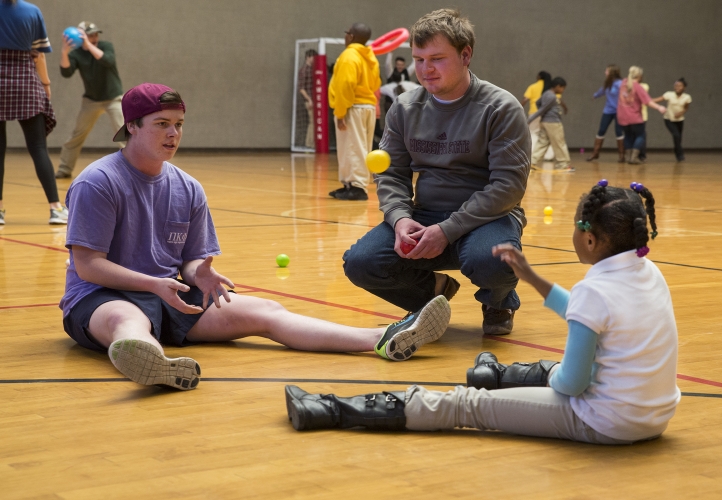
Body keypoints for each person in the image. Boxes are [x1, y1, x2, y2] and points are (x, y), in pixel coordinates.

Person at [60, 83, 452, 391]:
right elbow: (89, 266)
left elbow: (191, 261)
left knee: (268, 312)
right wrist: (154, 285)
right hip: (101, 296)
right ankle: (151, 361)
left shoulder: (189, 188)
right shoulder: (99, 182)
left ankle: (383, 337)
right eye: (161, 124)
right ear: (131, 125)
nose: (173, 133)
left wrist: (200, 275)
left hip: (170, 295)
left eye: (178, 124)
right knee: (126, 318)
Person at [285, 180, 681, 447]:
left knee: (467, 404)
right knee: (567, 365)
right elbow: (592, 313)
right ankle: (496, 375)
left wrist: (543, 386)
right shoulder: (647, 271)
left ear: (590, 238)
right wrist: (529, 276)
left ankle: (331, 409)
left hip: (605, 422)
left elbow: (572, 384)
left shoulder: (595, 291)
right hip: (654, 416)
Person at [342, 9, 530, 336]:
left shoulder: (500, 107)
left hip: (490, 218)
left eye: (437, 59)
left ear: (466, 54)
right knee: (361, 262)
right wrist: (400, 218)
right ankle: (433, 291)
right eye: (418, 59)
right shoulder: (404, 108)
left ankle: (499, 299)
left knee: (492, 260)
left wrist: (447, 230)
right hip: (425, 214)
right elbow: (391, 174)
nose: (425, 70)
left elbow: (508, 186)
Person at [0, 0, 67, 225]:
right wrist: (46, 85)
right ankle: (55, 209)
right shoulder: (33, 11)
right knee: (38, 147)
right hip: (25, 82)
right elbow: (38, 54)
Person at [55, 22, 124, 179]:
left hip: (113, 97)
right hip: (91, 100)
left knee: (124, 132)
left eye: (95, 34)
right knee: (77, 134)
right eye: (90, 35)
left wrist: (88, 44)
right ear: (81, 36)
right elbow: (66, 72)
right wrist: (65, 51)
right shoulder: (76, 54)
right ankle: (65, 169)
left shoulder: (106, 46)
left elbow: (108, 60)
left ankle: (136, 167)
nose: (94, 37)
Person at [327, 23, 381, 201]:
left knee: (352, 147)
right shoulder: (369, 56)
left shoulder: (349, 55)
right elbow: (375, 84)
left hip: (353, 107)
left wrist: (341, 113)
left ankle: (357, 187)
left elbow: (345, 86)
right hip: (368, 106)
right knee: (360, 147)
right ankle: (349, 184)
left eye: (346, 33)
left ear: (350, 36)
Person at [616, 66, 665, 164]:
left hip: (622, 116)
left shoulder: (622, 83)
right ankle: (633, 158)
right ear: (639, 76)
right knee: (640, 135)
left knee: (628, 136)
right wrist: (659, 107)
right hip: (634, 116)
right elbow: (647, 101)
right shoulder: (637, 86)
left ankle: (628, 156)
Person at [528, 77, 572, 171]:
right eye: (562, 88)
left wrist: (545, 113)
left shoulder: (546, 93)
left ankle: (531, 162)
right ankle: (563, 164)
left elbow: (538, 102)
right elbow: (542, 109)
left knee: (542, 143)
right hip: (553, 122)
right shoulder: (551, 96)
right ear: (557, 86)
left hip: (544, 122)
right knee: (559, 142)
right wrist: (530, 119)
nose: (563, 90)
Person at [586, 65, 624, 162]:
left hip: (618, 111)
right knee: (601, 130)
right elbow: (602, 91)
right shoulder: (608, 83)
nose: (605, 72)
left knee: (619, 132)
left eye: (606, 71)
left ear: (612, 72)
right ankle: (595, 153)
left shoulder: (620, 84)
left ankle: (621, 155)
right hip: (608, 110)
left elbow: (626, 94)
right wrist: (595, 95)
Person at [652, 78, 691, 162]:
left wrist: (681, 113)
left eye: (680, 86)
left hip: (680, 120)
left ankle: (677, 151)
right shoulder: (669, 94)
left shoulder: (687, 97)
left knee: (679, 138)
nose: (677, 87)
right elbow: (658, 99)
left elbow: (686, 108)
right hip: (669, 119)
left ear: (684, 88)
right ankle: (680, 155)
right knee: (676, 135)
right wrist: (648, 100)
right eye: (676, 85)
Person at [520, 71, 554, 161]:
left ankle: (532, 154)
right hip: (546, 114)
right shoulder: (550, 88)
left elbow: (525, 99)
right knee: (546, 135)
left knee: (533, 133)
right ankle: (548, 156)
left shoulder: (533, 86)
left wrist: (518, 108)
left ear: (539, 76)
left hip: (534, 113)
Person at [295, 49, 316, 149]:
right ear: (308, 57)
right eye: (313, 57)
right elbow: (301, 88)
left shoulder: (313, 69)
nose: (314, 59)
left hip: (315, 100)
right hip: (309, 101)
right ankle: (309, 144)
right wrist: (309, 99)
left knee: (315, 122)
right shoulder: (304, 70)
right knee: (312, 122)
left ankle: (312, 144)